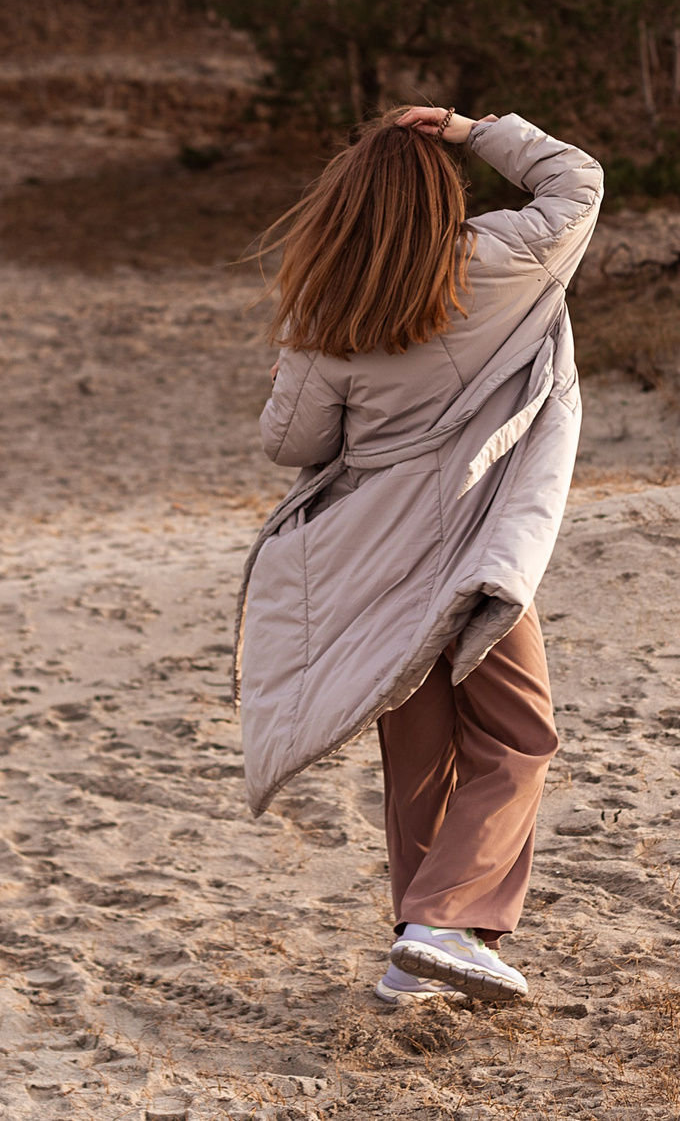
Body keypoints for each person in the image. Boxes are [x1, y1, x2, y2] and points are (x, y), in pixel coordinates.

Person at [237, 104, 601, 1006]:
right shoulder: (501, 259)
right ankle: (445, 920)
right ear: (443, 193)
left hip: (380, 555)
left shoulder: (335, 306)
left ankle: (418, 952)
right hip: (478, 544)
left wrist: (305, 356)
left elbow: (291, 440)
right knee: (520, 734)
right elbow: (577, 180)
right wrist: (475, 129)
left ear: (349, 204)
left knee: (420, 748)